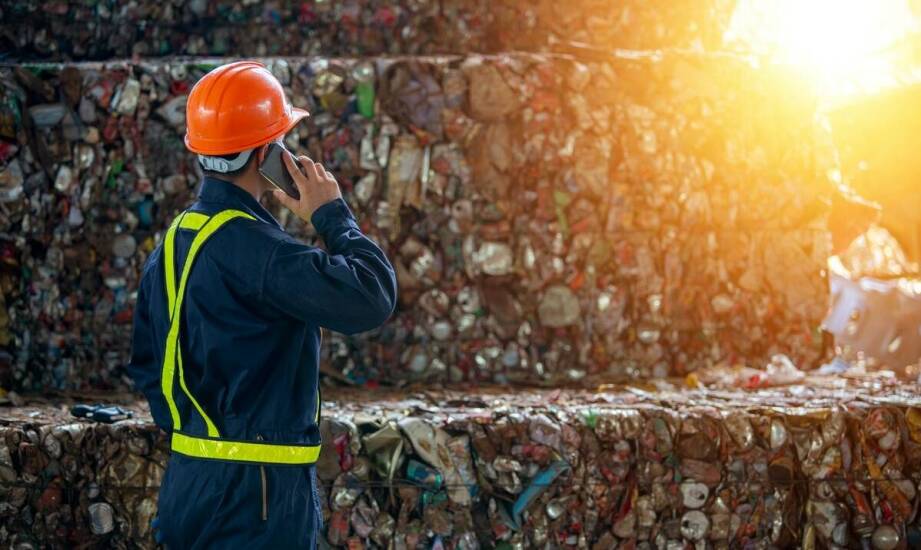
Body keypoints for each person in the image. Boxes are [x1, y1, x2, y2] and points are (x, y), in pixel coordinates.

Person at [126, 61, 397, 548]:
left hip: (188, 484)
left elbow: (148, 367)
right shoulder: (262, 253)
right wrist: (331, 215)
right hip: (260, 498)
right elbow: (371, 296)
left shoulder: (173, 243)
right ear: (267, 152)